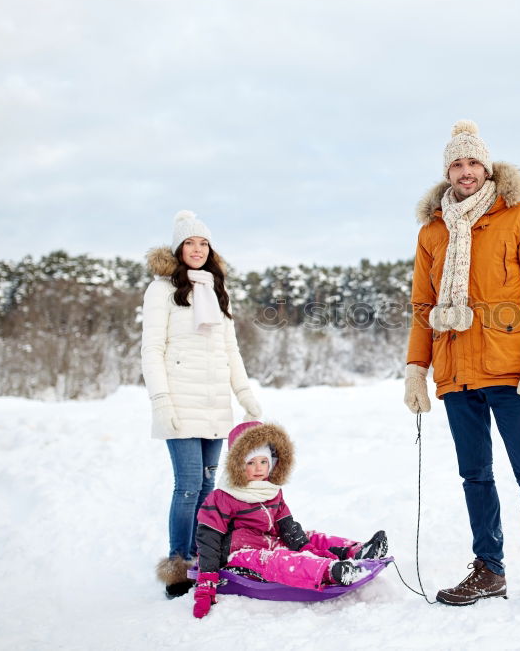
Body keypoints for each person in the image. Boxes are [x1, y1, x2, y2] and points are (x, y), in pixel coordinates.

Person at [402, 120, 520, 624]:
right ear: (447, 172)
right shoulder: (433, 231)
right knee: (474, 476)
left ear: (488, 167)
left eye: (473, 162)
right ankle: (489, 569)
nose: (465, 171)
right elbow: (422, 305)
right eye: (456, 164)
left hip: (511, 371)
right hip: (456, 373)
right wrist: (417, 369)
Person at [141, 210, 264, 598]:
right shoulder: (161, 290)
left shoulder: (216, 289)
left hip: (214, 404)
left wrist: (244, 394)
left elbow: (231, 351)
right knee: (188, 486)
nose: (197, 249)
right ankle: (179, 563)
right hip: (179, 402)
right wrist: (161, 401)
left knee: (210, 485)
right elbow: (152, 350)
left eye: (203, 243)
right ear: (178, 249)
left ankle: (201, 556)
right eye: (190, 243)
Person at [191, 420, 388, 618]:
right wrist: (206, 583)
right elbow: (208, 539)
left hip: (269, 541)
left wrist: (308, 549)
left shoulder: (271, 490)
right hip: (238, 554)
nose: (258, 468)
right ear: (237, 464)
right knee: (278, 561)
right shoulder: (222, 496)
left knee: (309, 535)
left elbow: (286, 525)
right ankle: (331, 571)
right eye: (250, 462)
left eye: (263, 461)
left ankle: (358, 550)